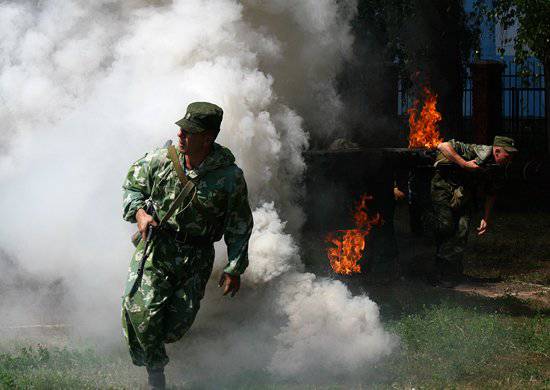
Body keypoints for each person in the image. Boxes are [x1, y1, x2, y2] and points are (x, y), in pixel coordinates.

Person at [121, 102, 253, 389]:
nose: (180, 134)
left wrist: (234, 268)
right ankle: (156, 374)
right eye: (181, 128)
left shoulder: (229, 178)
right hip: (157, 249)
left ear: (208, 138)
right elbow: (132, 187)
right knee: (142, 312)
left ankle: (158, 346)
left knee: (174, 327)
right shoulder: (159, 160)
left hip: (196, 259)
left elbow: (239, 225)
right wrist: (141, 214)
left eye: (189, 131)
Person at [428, 135, 517, 287]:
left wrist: (486, 218)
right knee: (446, 229)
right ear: (497, 151)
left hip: (464, 196)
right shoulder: (478, 151)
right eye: (507, 155)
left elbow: (491, 193)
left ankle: (454, 273)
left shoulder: (498, 168)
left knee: (462, 232)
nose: (510, 160)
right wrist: (464, 163)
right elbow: (443, 146)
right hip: (443, 189)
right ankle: (441, 274)